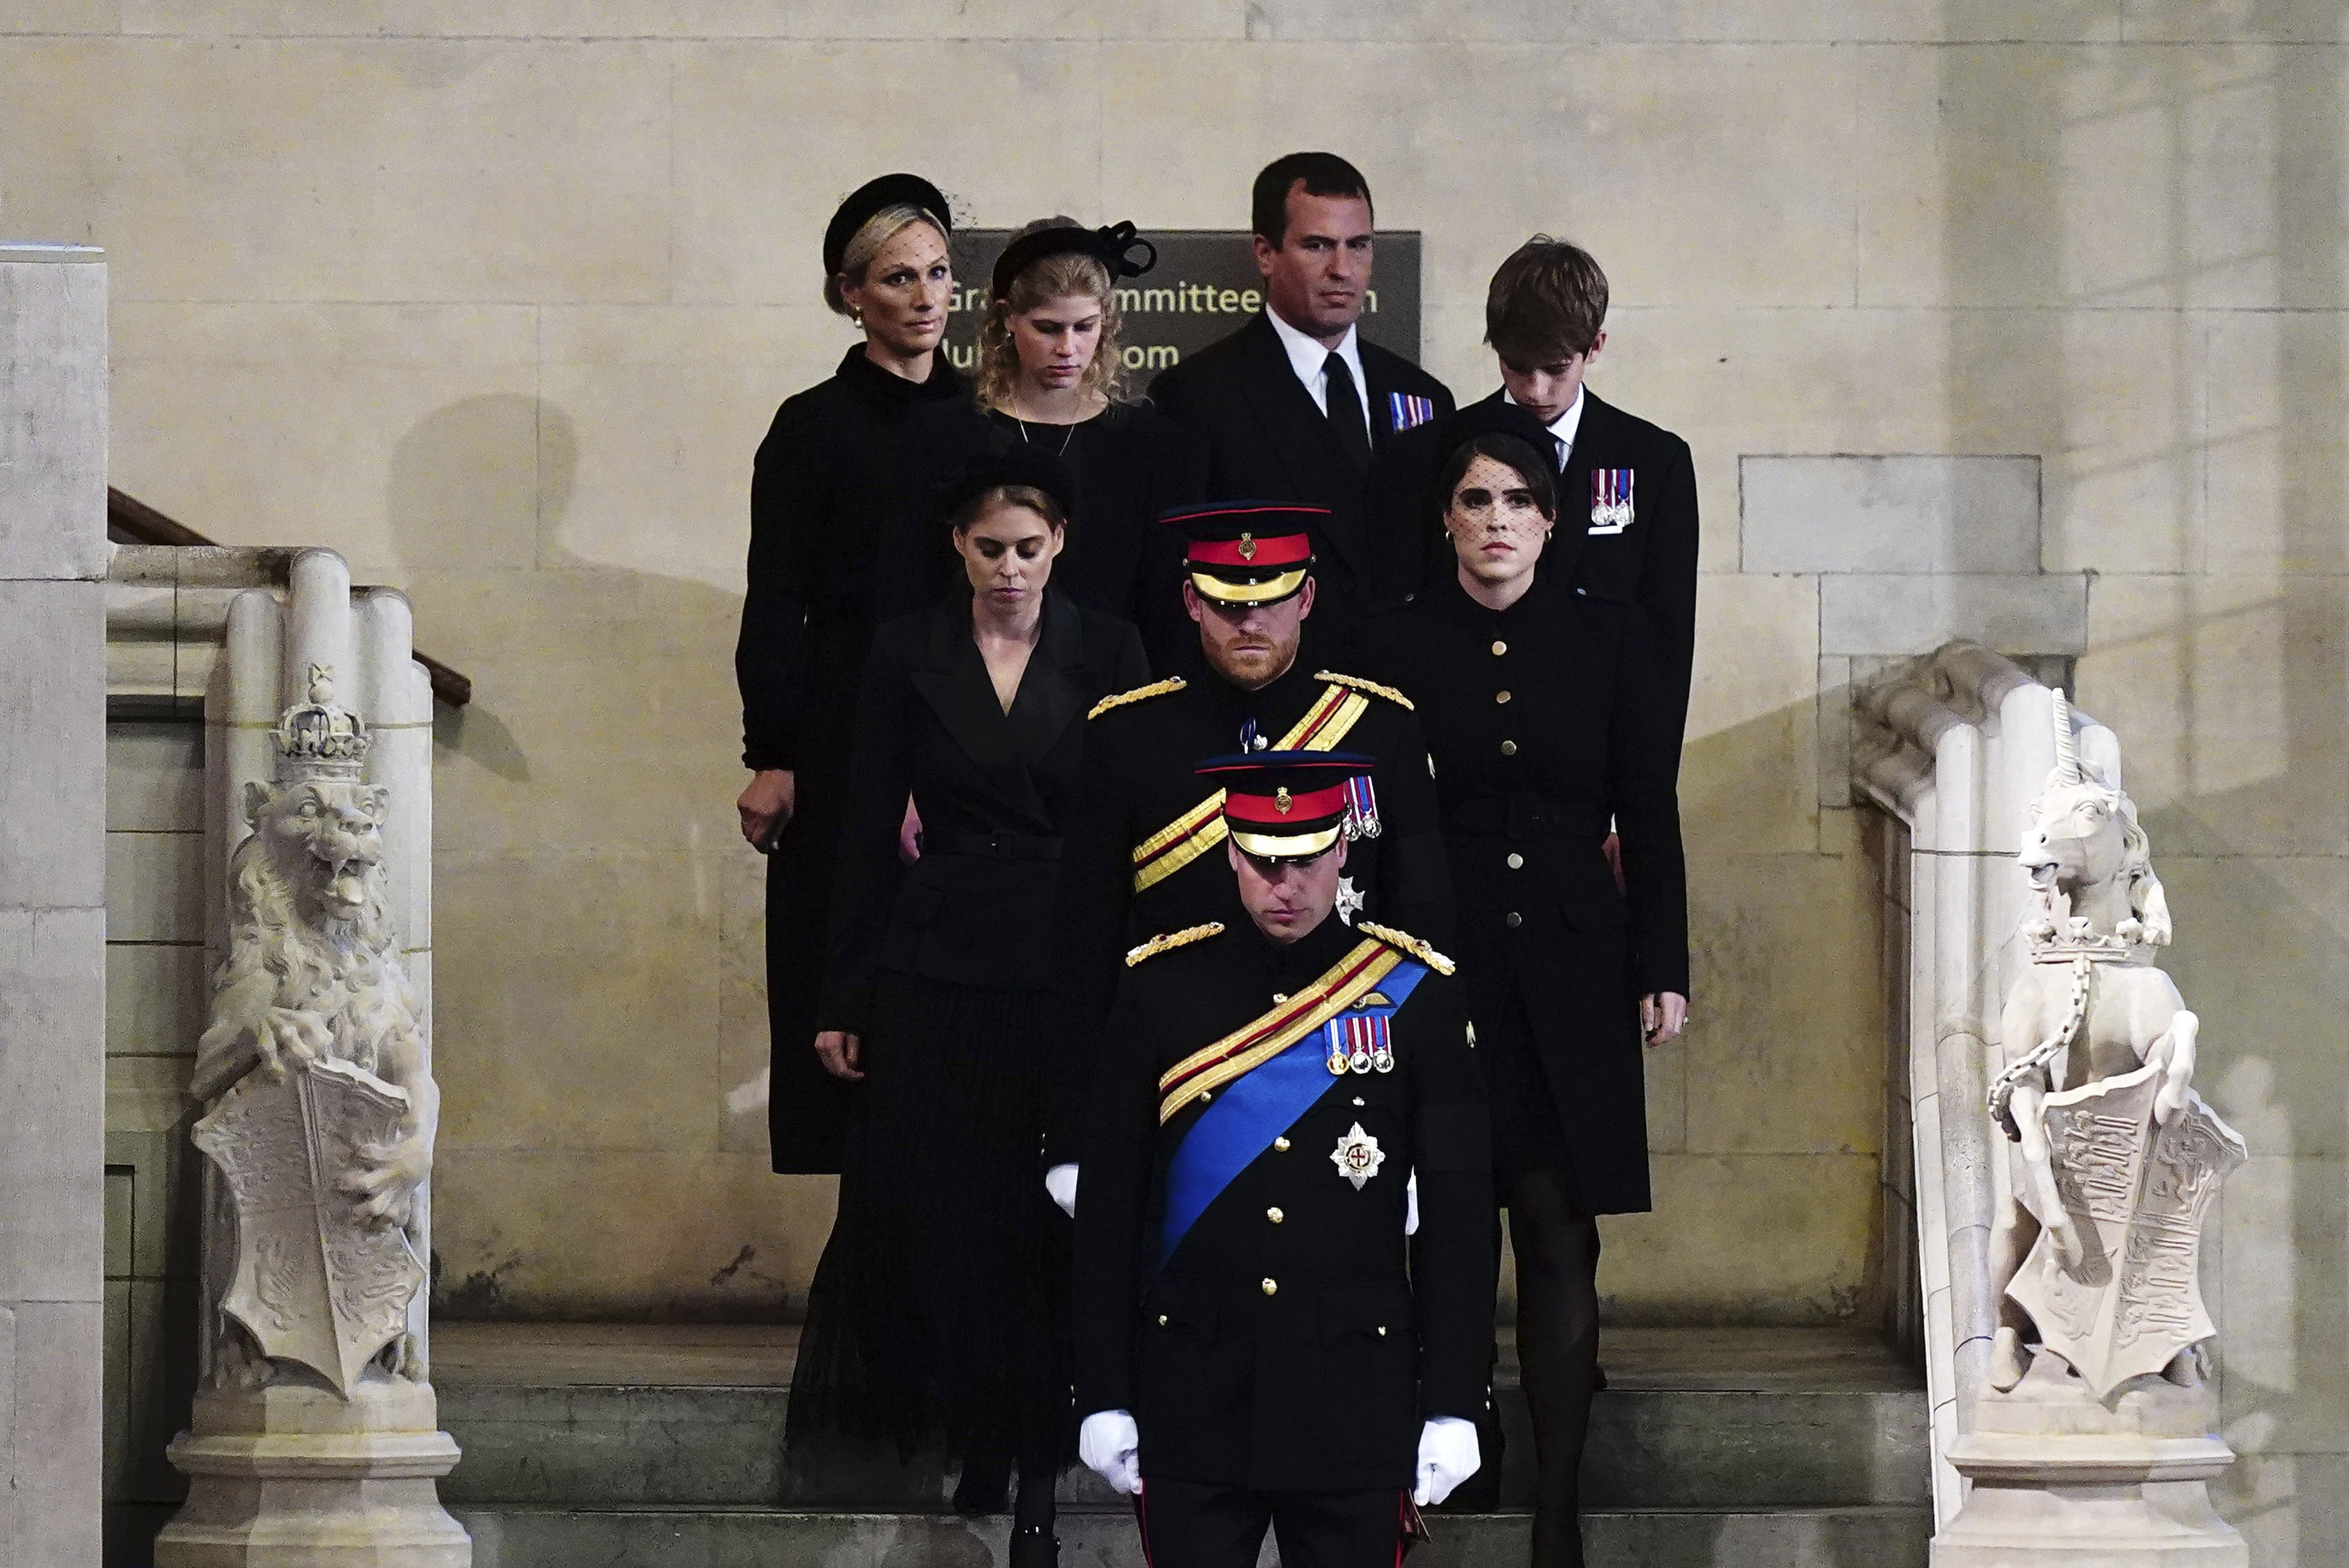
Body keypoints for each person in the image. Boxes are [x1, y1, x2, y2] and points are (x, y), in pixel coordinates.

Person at [785, 449, 1150, 1567]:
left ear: (1061, 545)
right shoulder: (907, 649)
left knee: (1052, 1217)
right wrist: (842, 992)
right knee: (951, 1210)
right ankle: (971, 1434)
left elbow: (1143, 823)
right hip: (937, 958)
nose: (1008, 568)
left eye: (1028, 548)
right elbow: (859, 831)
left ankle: (1037, 1469)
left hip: (1073, 960)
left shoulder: (1115, 648)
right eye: (988, 547)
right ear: (956, 544)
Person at [1358, 419, 1689, 1568]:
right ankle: (1457, 1430)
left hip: (1572, 963)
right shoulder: (1392, 640)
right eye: (1473, 500)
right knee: (1436, 1223)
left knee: (1557, 1230)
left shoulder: (1608, 638)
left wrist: (1661, 966)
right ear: (1443, 518)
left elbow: (1645, 810)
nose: (1495, 519)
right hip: (1433, 966)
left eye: (1516, 501)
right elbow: (1369, 823)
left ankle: (1557, 1504)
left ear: (1550, 519)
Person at [1072, 751, 1493, 1568]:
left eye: (1304, 860)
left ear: (1342, 849)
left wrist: (1452, 1399)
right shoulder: (1159, 987)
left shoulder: (1416, 993)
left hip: (1353, 1400)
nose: (1284, 885)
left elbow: (1458, 1216)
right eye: (1263, 861)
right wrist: (1102, 1391)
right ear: (1230, 851)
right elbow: (1111, 1208)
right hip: (1192, 1393)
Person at [1044, 501, 1454, 1191]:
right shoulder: (1126, 736)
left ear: (1307, 598)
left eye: (1270, 601)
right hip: (1179, 1078)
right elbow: (1083, 946)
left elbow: (1422, 931)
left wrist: (1421, 1127)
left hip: (1338, 1075)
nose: (1250, 622)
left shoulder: (1379, 729)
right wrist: (1074, 1135)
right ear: (1189, 601)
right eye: (1228, 603)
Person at [735, 172, 968, 1175]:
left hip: (976, 720)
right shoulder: (814, 425)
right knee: (850, 965)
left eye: (940, 273)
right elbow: (775, 595)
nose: (925, 296)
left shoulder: (990, 416)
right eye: (898, 278)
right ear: (851, 295)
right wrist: (773, 752)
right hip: (844, 727)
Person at [1368, 237, 1699, 736]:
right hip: (1461, 744)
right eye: (1517, 366)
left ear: (1596, 348)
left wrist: (1644, 799)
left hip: (1591, 752)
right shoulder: (1427, 455)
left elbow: (1665, 649)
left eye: (1557, 368)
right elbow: (1396, 632)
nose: (1536, 390)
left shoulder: (1653, 461)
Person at [1150, 153, 1454, 645]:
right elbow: (1173, 580)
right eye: (1317, 246)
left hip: (1405, 689)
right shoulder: (1199, 396)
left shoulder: (1424, 396)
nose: (1343, 269)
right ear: (1265, 254)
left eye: (1359, 246)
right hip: (1275, 689)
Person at [904, 218, 1204, 664]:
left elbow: (1167, 602)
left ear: (1107, 322)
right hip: (971, 685)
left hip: (1115, 689)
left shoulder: (1150, 445)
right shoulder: (946, 433)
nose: (1068, 348)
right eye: (1047, 328)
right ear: (1008, 318)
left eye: (1084, 327)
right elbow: (919, 584)